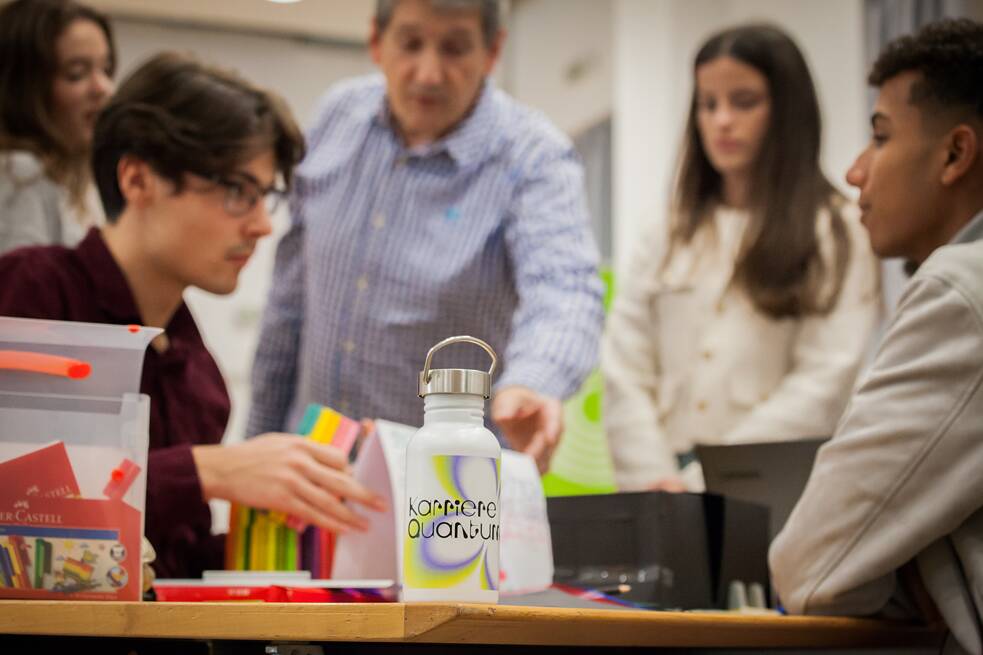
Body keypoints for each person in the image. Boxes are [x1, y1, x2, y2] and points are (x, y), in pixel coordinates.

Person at [0, 52, 385, 579]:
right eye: (235, 192)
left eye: (263, 197)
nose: (261, 226)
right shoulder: (33, 291)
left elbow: (170, 564)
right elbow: (22, 510)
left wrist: (320, 516)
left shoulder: (199, 375)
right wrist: (205, 471)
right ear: (137, 180)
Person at [246, 0, 604, 473]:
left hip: (444, 493)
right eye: (411, 44)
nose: (429, 73)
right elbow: (289, 302)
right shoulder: (338, 118)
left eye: (455, 48)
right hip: (312, 471)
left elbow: (566, 288)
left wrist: (533, 382)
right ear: (377, 41)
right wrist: (257, 442)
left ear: (492, 50)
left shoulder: (532, 156)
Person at [770, 19, 983, 655]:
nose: (856, 171)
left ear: (955, 154)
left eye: (880, 137)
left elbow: (810, 571)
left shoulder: (959, 291)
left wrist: (902, 571)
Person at [602, 24, 882, 492]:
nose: (722, 121)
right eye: (708, 104)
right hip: (659, 487)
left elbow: (823, 382)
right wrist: (656, 482)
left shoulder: (837, 229)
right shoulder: (667, 231)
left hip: (774, 491)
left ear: (788, 111)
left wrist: (705, 483)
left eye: (743, 101)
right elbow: (625, 368)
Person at [0, 0, 115, 254]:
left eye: (106, 69)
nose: (103, 88)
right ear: (24, 89)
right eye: (77, 73)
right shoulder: (20, 174)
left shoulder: (75, 176)